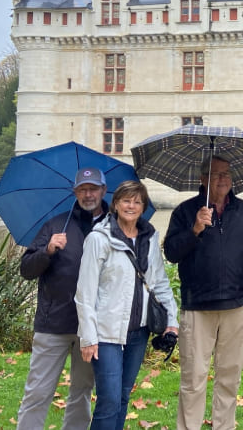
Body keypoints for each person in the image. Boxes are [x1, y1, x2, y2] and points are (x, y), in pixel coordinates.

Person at [163, 157, 243, 430]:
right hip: (197, 307)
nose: (223, 179)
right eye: (216, 174)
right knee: (193, 378)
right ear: (203, 179)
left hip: (238, 305)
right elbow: (171, 253)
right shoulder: (185, 212)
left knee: (229, 378)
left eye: (226, 174)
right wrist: (195, 229)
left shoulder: (242, 210)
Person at [75, 180, 178, 430]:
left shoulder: (149, 237)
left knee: (122, 396)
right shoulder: (99, 239)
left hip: (138, 331)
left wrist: (172, 321)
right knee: (109, 399)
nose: (131, 206)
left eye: (137, 201)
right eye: (125, 200)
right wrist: (88, 337)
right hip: (106, 332)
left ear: (143, 207)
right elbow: (85, 292)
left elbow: (159, 282)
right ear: (116, 204)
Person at [17, 167, 109, 429]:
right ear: (75, 192)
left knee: (81, 392)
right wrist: (47, 250)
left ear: (103, 190)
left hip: (90, 327)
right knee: (37, 392)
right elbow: (26, 270)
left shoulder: (113, 226)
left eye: (93, 189)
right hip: (53, 323)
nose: (88, 194)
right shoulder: (56, 224)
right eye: (82, 189)